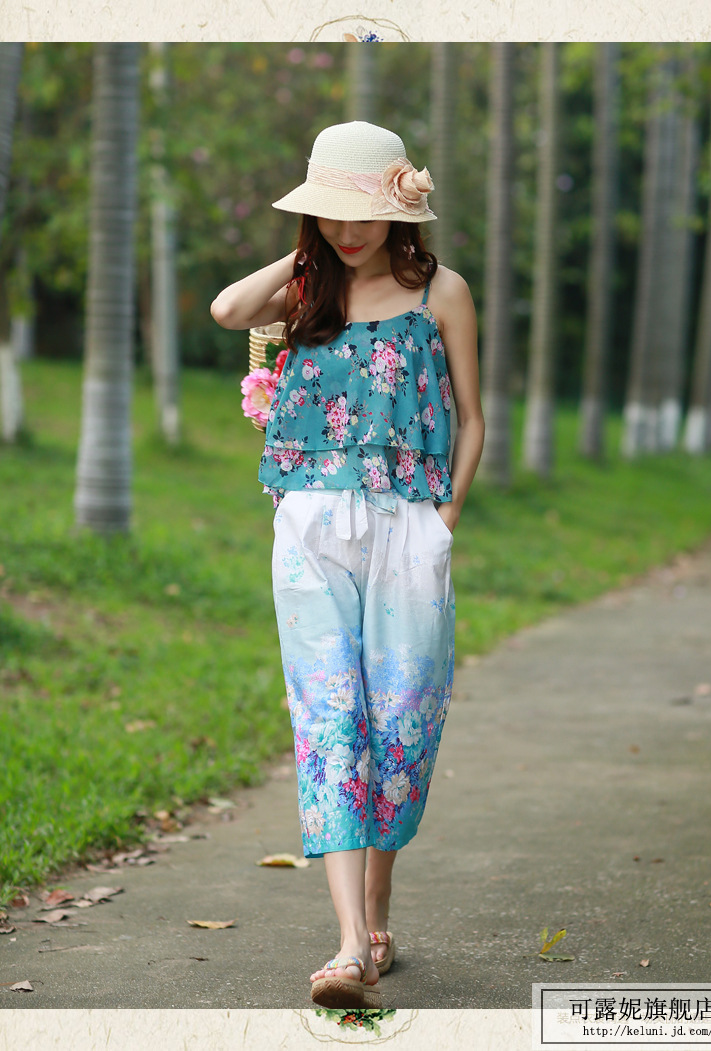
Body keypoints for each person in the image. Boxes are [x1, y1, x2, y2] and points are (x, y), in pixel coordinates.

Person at [211, 120, 484, 1009]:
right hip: (310, 524)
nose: (348, 230)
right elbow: (227, 312)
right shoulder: (306, 290)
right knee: (329, 719)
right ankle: (347, 948)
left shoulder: (441, 292)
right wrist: (301, 257)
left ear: (401, 211)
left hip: (408, 526)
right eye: (331, 211)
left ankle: (376, 908)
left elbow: (472, 417)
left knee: (399, 724)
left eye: (363, 212)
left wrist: (444, 521)